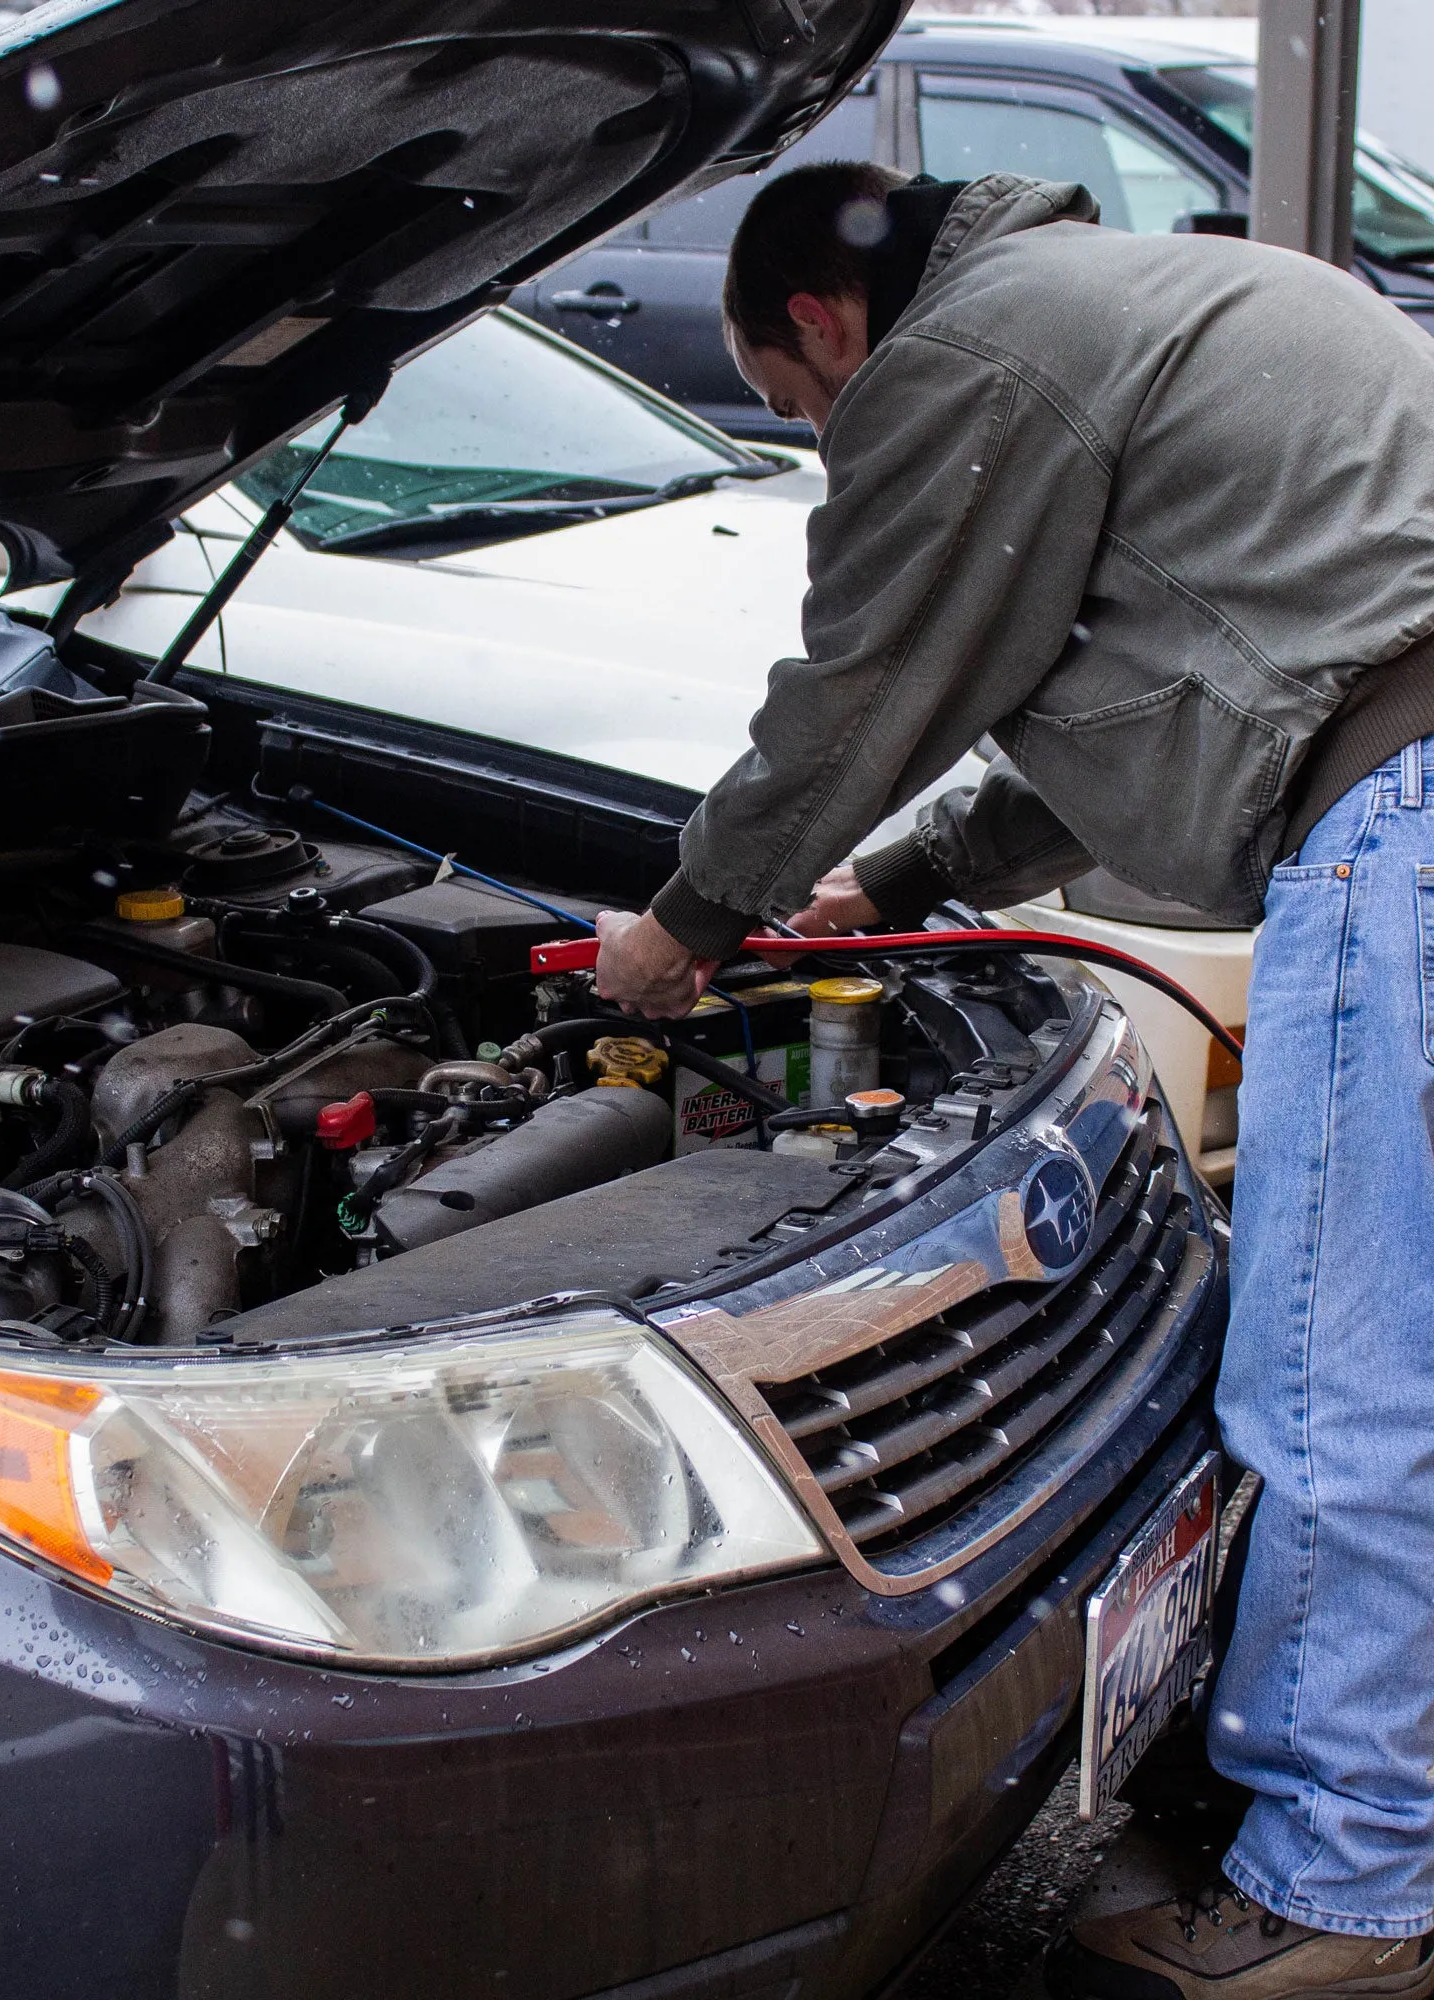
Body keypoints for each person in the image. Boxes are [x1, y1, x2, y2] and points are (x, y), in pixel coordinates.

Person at [594, 161, 1434, 2000]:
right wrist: (889, 883)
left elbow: (865, 675)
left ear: (821, 322)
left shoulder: (971, 350)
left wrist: (691, 926)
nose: (829, 441)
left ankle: (1344, 1901)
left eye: (798, 409)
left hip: (1411, 823)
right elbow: (1126, 676)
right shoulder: (1120, 302)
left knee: (1340, 1389)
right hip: (1404, 768)